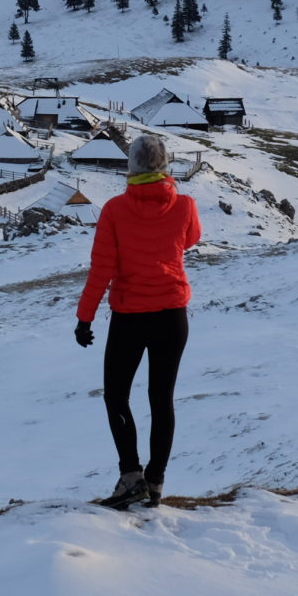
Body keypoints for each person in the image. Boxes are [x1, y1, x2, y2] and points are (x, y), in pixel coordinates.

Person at [75, 131, 202, 508]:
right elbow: (190, 239)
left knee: (116, 395)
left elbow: (102, 270)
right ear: (166, 164)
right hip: (172, 316)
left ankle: (131, 478)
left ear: (130, 166)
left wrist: (85, 319)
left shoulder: (114, 210)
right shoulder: (185, 205)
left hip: (130, 316)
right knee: (161, 399)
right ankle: (156, 483)